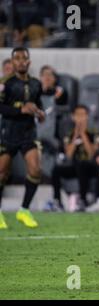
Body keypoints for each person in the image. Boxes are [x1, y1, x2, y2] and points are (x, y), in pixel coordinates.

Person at [0, 47, 45, 230]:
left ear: (29, 62)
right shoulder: (6, 83)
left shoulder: (36, 84)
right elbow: (1, 108)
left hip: (28, 134)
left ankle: (24, 210)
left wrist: (40, 113)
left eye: (23, 58)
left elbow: (38, 105)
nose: (20, 61)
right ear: (12, 62)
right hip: (8, 134)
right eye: (16, 58)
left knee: (35, 170)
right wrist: (20, 110)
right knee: (2, 173)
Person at [48, 105, 99, 212]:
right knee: (56, 170)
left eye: (83, 115)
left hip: (91, 166)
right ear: (73, 117)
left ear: (87, 116)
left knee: (82, 165)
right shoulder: (69, 134)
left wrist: (83, 134)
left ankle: (83, 200)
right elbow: (68, 154)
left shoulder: (95, 132)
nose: (80, 118)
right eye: (77, 115)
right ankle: (57, 201)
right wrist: (76, 135)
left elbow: (91, 154)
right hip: (74, 166)